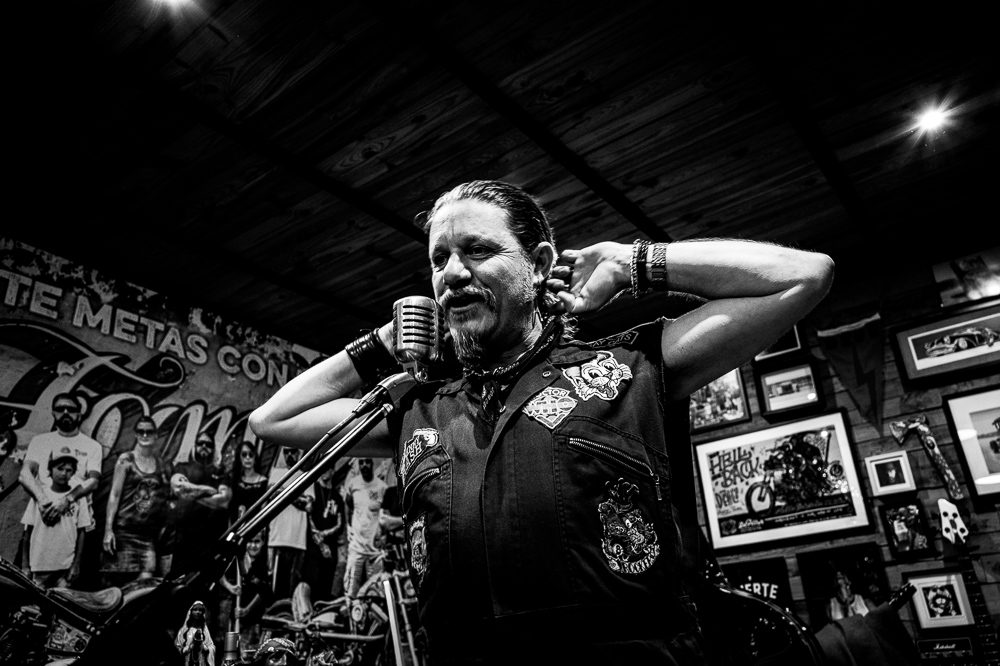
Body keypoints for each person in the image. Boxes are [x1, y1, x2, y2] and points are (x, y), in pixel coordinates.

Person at [249, 180, 834, 664]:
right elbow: (275, 418)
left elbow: (803, 276)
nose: (452, 273)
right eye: (438, 260)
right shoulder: (420, 410)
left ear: (540, 265)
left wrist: (629, 263)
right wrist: (382, 342)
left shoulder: (626, 368)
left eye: (477, 250)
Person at [101, 416, 172, 586]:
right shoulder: (126, 460)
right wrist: (108, 530)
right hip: (123, 530)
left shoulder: (161, 464)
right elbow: (114, 495)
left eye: (149, 431)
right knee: (115, 586)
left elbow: (165, 498)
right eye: (141, 431)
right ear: (136, 434)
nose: (145, 435)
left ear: (156, 435)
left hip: (147, 535)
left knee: (145, 583)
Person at [20, 393, 103, 528]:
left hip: (78, 522)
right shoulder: (40, 442)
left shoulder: (92, 446)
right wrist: (42, 500)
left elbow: (93, 481)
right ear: (53, 413)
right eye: (60, 409)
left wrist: (67, 500)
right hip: (42, 518)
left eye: (71, 409)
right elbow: (25, 474)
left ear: (79, 414)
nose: (65, 412)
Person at [20, 449, 93, 588]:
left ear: (73, 473)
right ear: (50, 469)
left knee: (61, 600)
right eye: (60, 468)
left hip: (65, 567)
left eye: (69, 470)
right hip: (40, 565)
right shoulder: (40, 495)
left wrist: (76, 565)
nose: (64, 473)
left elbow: (82, 532)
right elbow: (27, 531)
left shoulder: (78, 498)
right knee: (36, 600)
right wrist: (25, 566)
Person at [163, 433, 232, 576]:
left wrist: (191, 493)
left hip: (211, 541)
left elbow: (224, 501)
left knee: (207, 584)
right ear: (194, 446)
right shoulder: (182, 468)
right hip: (184, 541)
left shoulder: (220, 472)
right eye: (200, 443)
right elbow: (179, 489)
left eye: (208, 444)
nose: (204, 446)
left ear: (213, 448)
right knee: (180, 584)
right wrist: (209, 491)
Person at [267, 446, 313, 600]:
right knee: (273, 590)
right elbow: (271, 496)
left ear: (298, 452)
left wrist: (283, 492)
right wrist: (297, 495)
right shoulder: (276, 473)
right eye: (286, 452)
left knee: (292, 593)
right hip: (277, 538)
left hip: (298, 541)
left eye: (293, 451)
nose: (289, 455)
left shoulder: (306, 475)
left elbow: (308, 506)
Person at [302, 465, 344, 603]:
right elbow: (307, 517)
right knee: (309, 589)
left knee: (325, 593)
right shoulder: (312, 490)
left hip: (330, 554)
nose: (324, 471)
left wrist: (324, 535)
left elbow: (340, 525)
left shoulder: (337, 497)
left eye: (327, 468)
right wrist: (320, 543)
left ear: (333, 471)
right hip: (313, 551)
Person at [231, 441, 268, 523]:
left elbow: (264, 509)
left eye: (251, 455)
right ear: (239, 457)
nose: (248, 458)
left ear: (255, 458)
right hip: (236, 526)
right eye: (244, 454)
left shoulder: (263, 481)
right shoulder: (235, 480)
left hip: (255, 526)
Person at [176, 599, 216, 666]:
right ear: (191, 611)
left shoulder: (204, 630)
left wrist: (205, 648)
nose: (197, 612)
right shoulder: (183, 631)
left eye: (200, 610)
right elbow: (177, 647)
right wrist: (185, 649)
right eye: (195, 610)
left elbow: (211, 646)